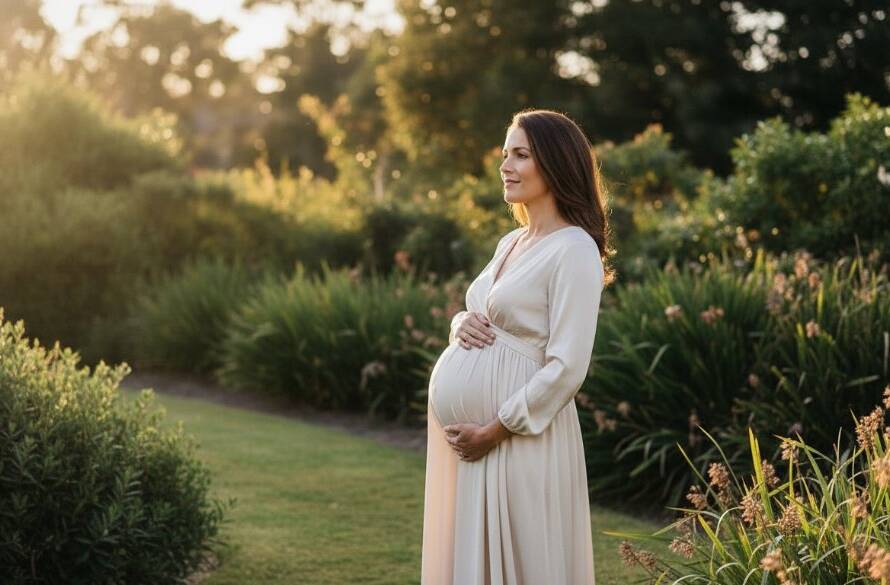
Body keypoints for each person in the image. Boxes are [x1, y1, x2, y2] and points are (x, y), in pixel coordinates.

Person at [421, 108, 616, 585]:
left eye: (521, 155)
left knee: (523, 564)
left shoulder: (574, 249)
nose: (506, 166)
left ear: (556, 164)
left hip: (518, 439)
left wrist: (498, 427)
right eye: (505, 154)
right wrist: (459, 323)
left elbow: (568, 365)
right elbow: (484, 313)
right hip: (475, 445)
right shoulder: (512, 241)